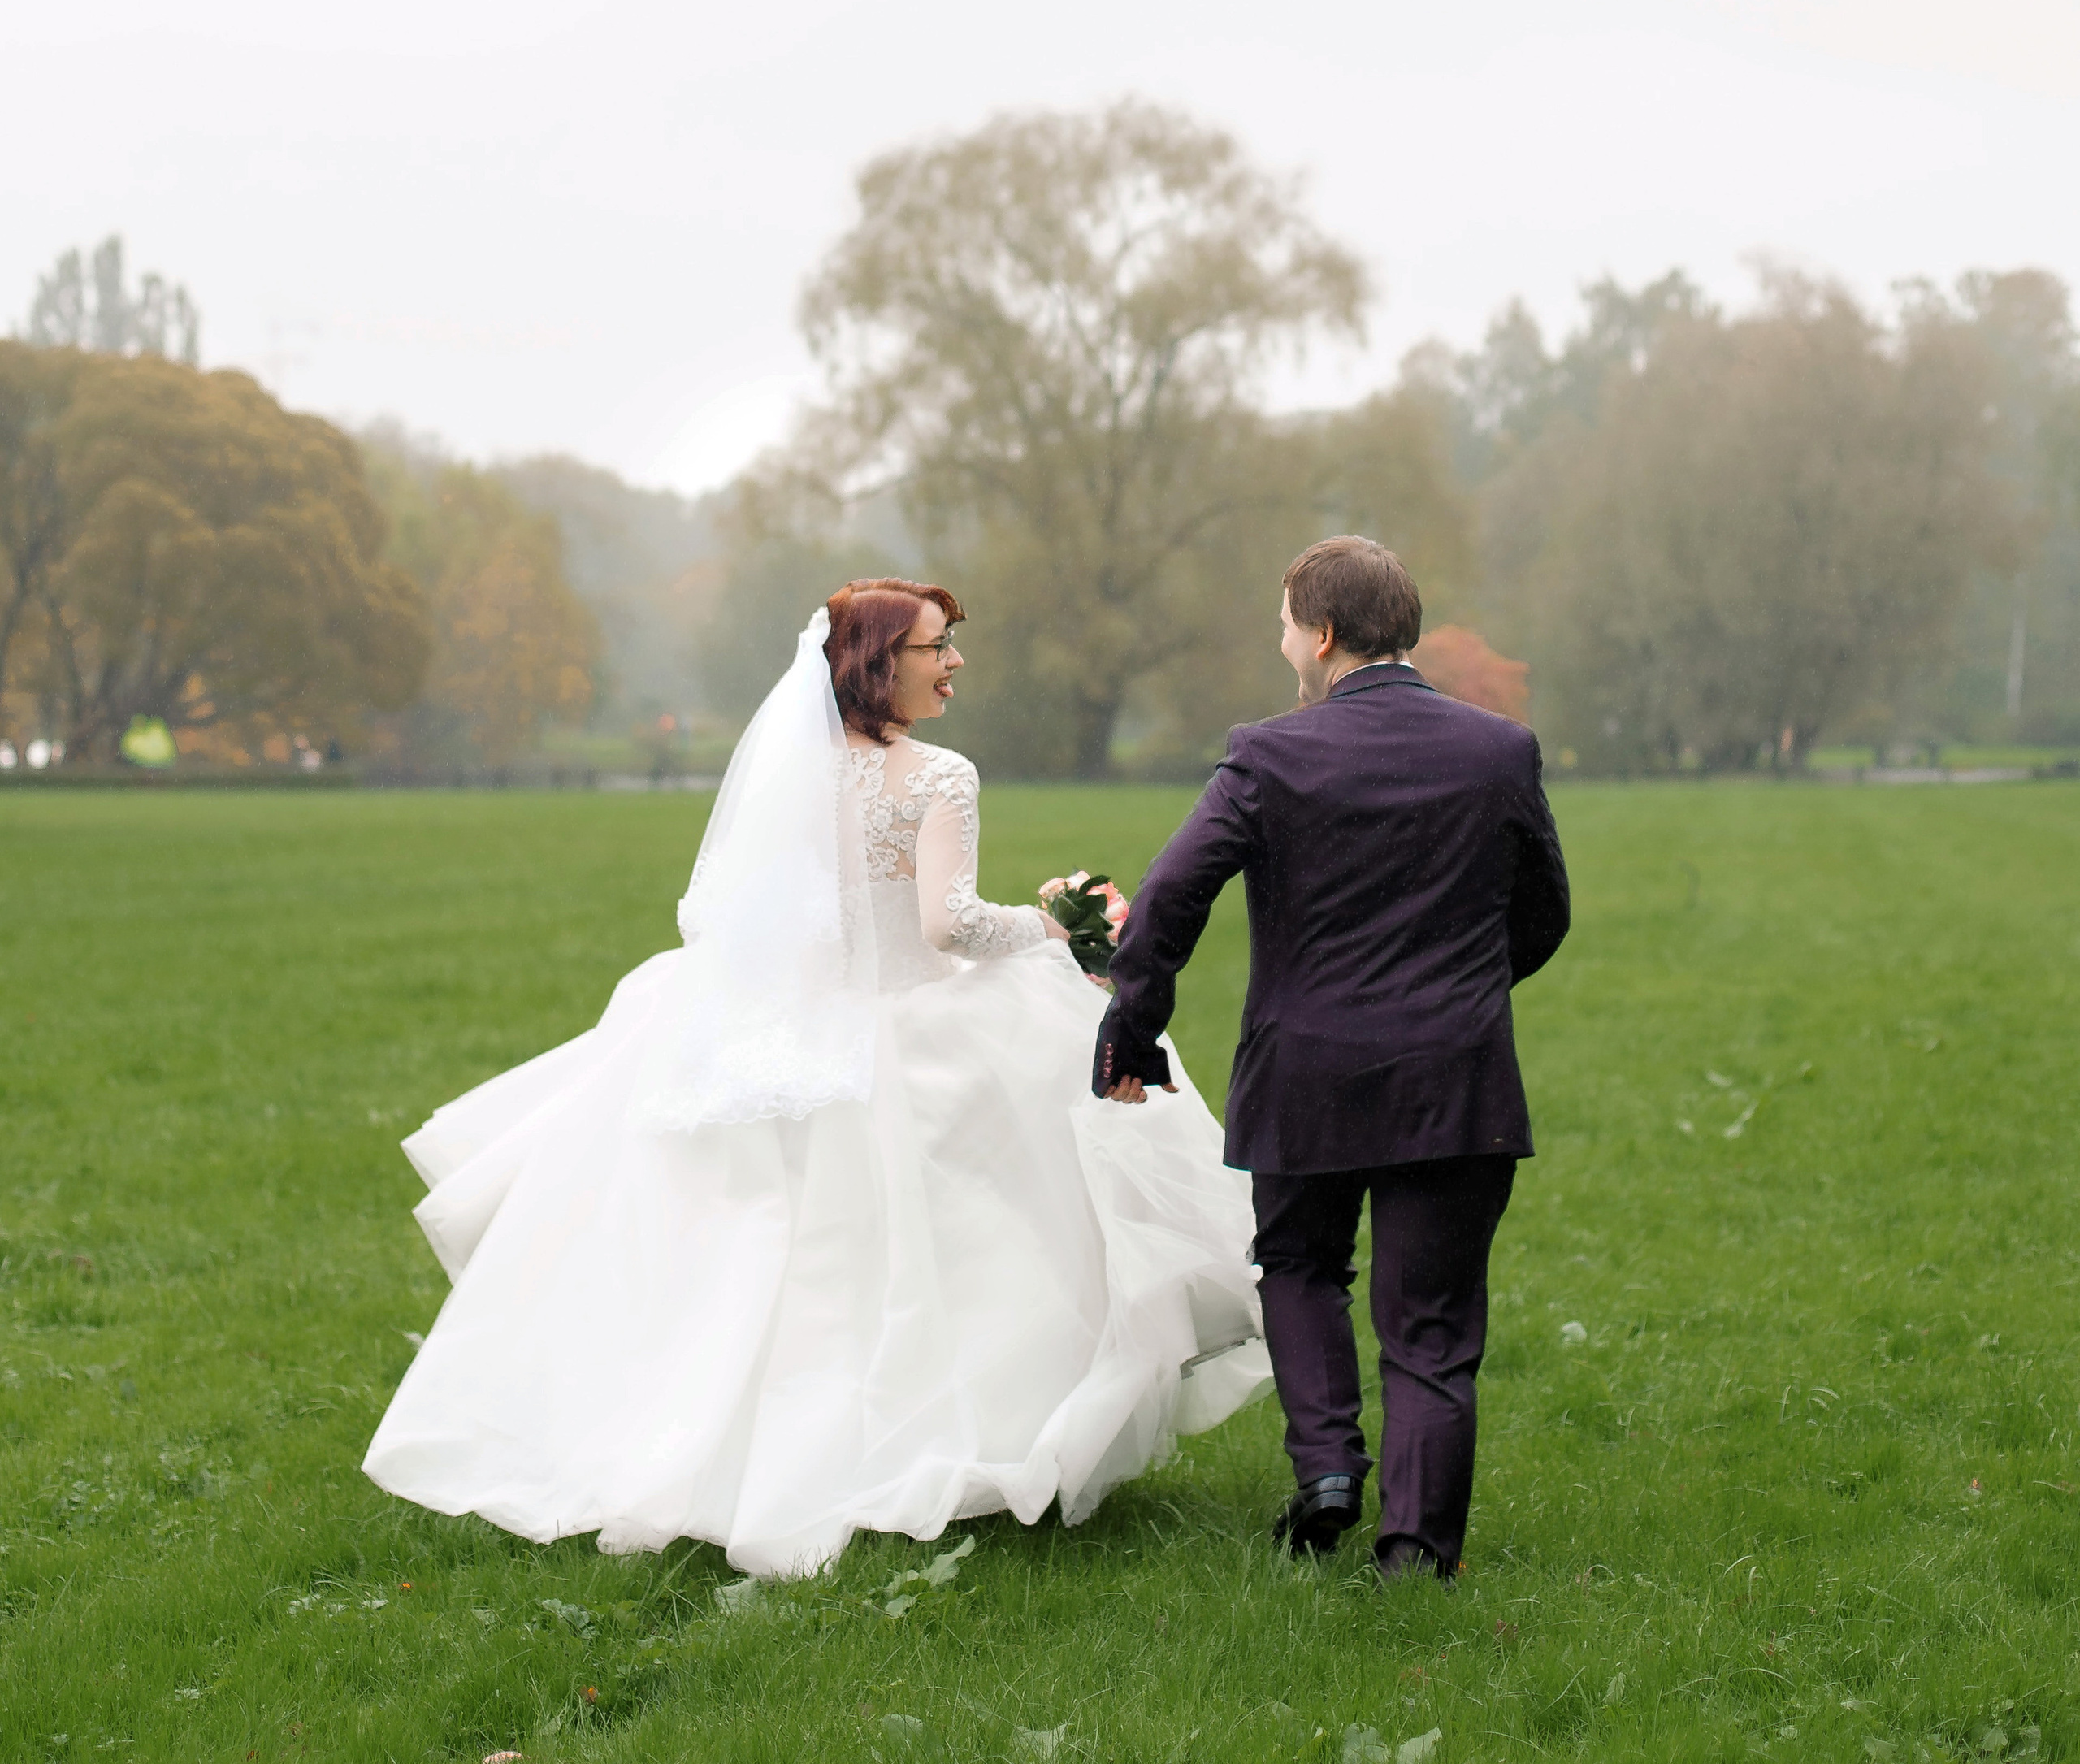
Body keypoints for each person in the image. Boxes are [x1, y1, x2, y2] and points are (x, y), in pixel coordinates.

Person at [364, 579, 1268, 1577]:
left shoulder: (788, 772)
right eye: (935, 646)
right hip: (911, 1022)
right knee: (962, 1245)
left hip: (789, 1029)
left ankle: (729, 1453)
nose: (954, 662)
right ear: (879, 662)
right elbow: (948, 926)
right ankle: (944, 1438)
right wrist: (1054, 923)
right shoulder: (940, 775)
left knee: (773, 1261)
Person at [1093, 536, 1568, 1582]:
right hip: (1456, 1074)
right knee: (1431, 1328)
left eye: (1282, 625)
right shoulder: (1498, 749)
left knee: (1300, 1265)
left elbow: (1168, 897)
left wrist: (1133, 1020)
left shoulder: (1269, 754)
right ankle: (1416, 1553)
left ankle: (1326, 1468)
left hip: (1304, 1070)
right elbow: (1544, 911)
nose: (1281, 644)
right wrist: (1462, 991)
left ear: (1321, 634)